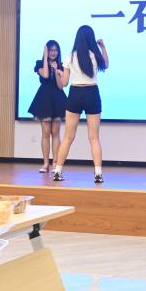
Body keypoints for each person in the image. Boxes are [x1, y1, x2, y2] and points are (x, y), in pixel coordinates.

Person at [52, 25, 108, 183]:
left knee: (68, 137)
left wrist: (59, 73)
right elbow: (106, 64)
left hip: (75, 94)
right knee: (94, 137)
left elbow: (64, 83)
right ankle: (98, 174)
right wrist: (103, 47)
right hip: (92, 93)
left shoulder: (70, 57)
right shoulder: (95, 54)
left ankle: (58, 171)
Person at [28, 40, 67, 173]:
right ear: (46, 51)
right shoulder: (39, 63)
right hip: (44, 99)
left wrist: (56, 70)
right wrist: (45, 58)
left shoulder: (61, 65)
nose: (53, 53)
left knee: (55, 133)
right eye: (50, 50)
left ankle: (56, 163)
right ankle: (45, 164)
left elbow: (60, 86)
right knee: (45, 133)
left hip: (57, 99)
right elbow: (45, 75)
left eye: (55, 50)